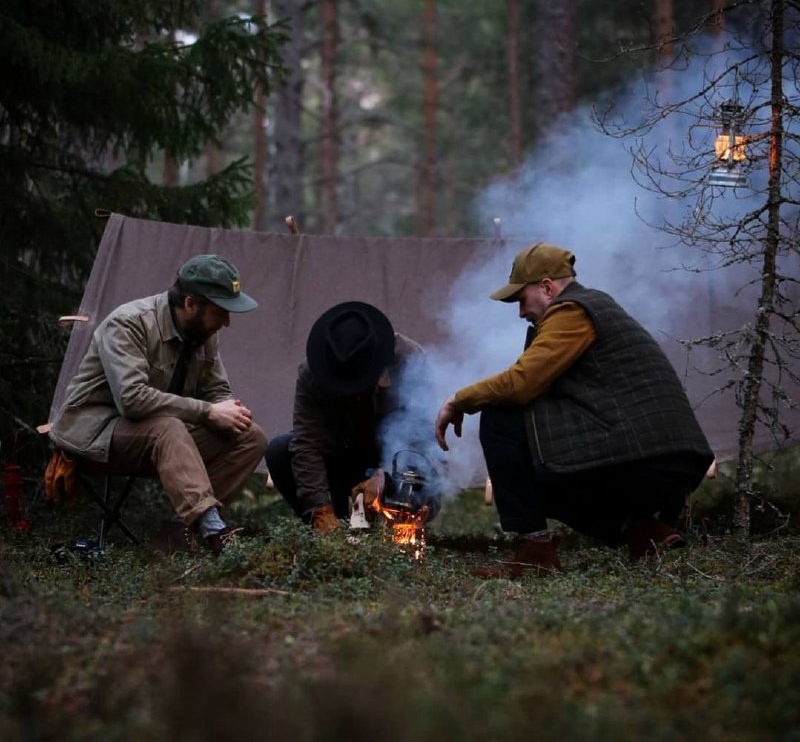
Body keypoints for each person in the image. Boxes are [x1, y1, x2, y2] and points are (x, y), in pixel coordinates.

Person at [435, 242, 714, 576]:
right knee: (538, 463)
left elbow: (521, 383)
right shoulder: (594, 306)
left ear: (548, 287)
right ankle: (642, 530)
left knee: (501, 417)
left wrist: (458, 399)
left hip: (652, 462)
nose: (520, 312)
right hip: (669, 460)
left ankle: (536, 551)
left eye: (521, 300)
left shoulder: (572, 311)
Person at [49, 254, 267, 555]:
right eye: (221, 312)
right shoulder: (129, 323)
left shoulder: (204, 331)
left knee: (251, 436)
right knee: (168, 427)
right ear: (191, 304)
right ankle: (215, 531)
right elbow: (132, 400)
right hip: (95, 436)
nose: (227, 322)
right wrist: (208, 412)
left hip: (162, 439)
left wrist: (228, 409)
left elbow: (216, 387)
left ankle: (175, 539)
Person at [264, 301, 424, 532]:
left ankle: (392, 527)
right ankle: (335, 528)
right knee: (280, 450)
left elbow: (423, 439)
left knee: (417, 478)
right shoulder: (312, 373)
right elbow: (307, 443)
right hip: (342, 459)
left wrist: (386, 476)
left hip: (396, 468)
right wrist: (319, 509)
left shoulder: (410, 362)